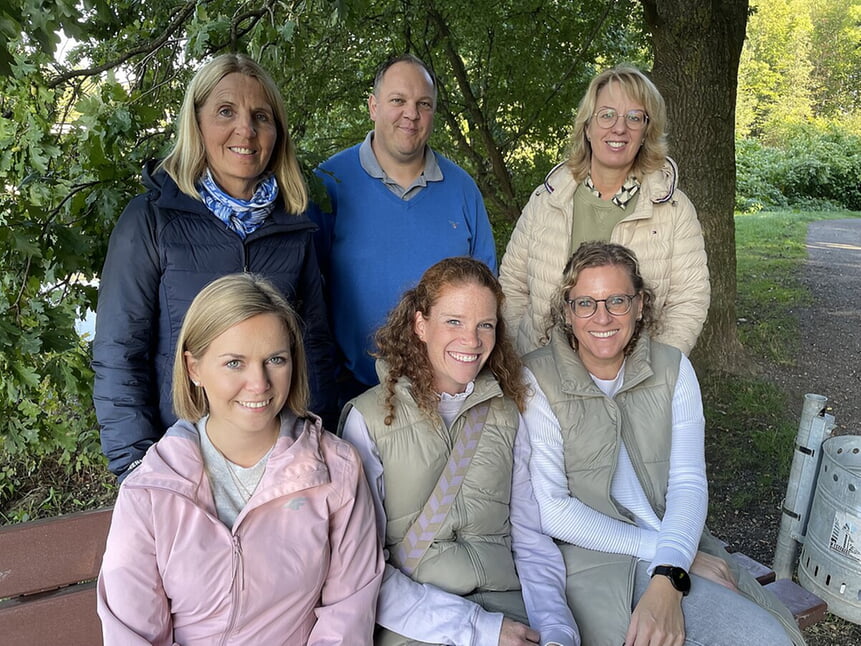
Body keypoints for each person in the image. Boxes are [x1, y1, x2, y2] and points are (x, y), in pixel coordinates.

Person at [521, 241, 804, 646]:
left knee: (768, 636)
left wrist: (671, 565)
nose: (601, 316)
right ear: (568, 312)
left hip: (677, 537)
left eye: (617, 300)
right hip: (593, 559)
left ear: (640, 305)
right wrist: (673, 562)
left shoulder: (673, 369)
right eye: (585, 303)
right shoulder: (536, 378)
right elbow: (552, 509)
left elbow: (688, 483)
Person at [97, 273, 383, 645]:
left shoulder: (335, 470)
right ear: (194, 368)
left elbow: (348, 614)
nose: (259, 382)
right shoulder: (150, 490)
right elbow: (131, 633)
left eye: (275, 359)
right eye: (234, 362)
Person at [93, 53, 337, 481]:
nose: (246, 130)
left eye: (261, 116)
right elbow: (118, 354)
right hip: (182, 460)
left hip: (275, 461)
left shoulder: (296, 228)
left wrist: (321, 443)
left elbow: (312, 348)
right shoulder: (151, 220)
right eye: (226, 112)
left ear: (277, 133)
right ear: (197, 122)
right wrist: (136, 466)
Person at [340, 257, 579, 646]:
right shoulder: (367, 421)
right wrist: (479, 629)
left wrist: (557, 632)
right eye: (454, 322)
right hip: (418, 623)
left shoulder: (507, 411)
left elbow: (531, 541)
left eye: (485, 325)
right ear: (420, 325)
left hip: (509, 612)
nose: (472, 340)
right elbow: (361, 571)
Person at [310, 54, 497, 405]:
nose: (411, 114)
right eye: (398, 100)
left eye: (423, 104)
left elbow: (488, 292)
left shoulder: (462, 189)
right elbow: (306, 290)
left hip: (448, 391)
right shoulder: (329, 184)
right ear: (373, 106)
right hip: (354, 389)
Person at [499, 64, 709, 357]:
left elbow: (688, 301)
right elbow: (512, 286)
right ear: (587, 126)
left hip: (636, 381)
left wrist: (656, 371)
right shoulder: (546, 200)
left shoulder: (673, 210)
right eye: (607, 115)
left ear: (647, 131)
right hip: (546, 378)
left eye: (634, 117)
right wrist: (524, 358)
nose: (619, 128)